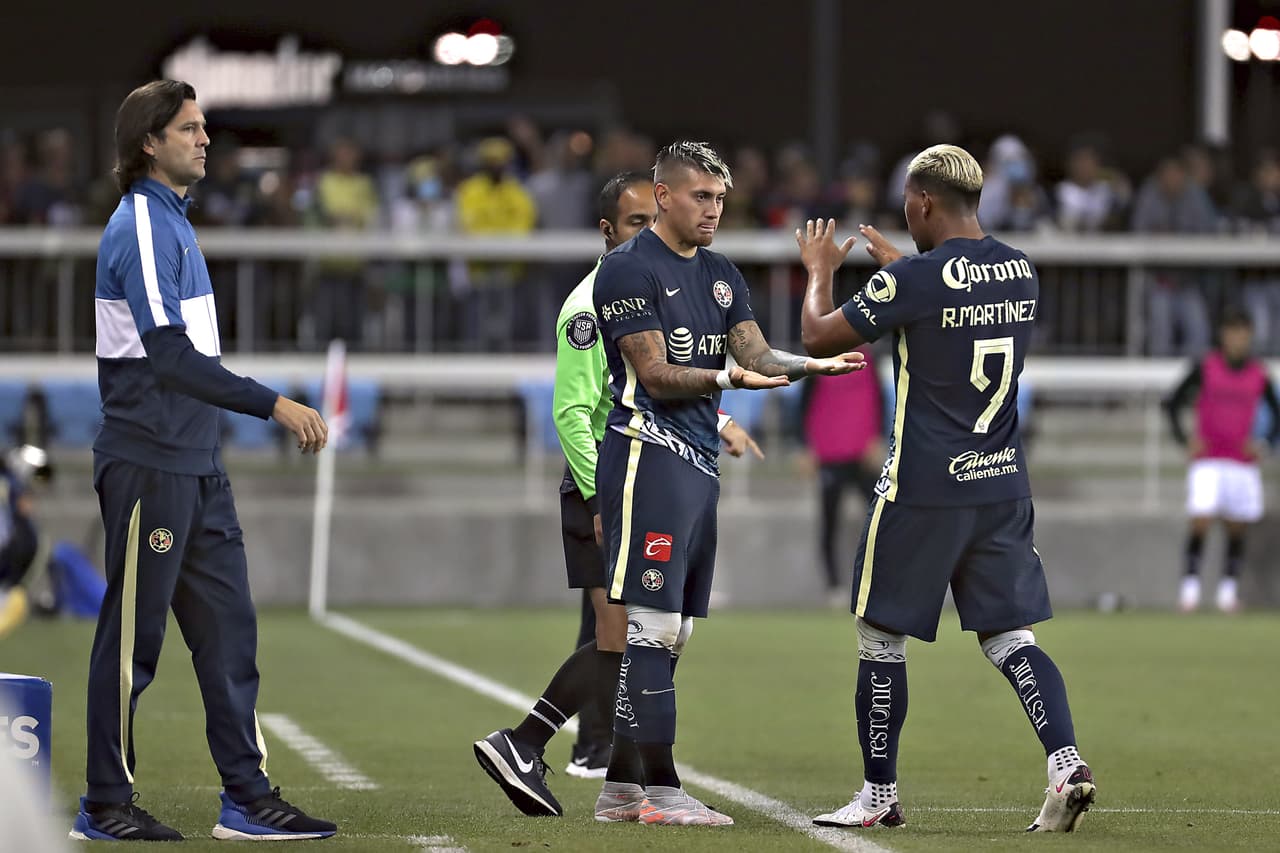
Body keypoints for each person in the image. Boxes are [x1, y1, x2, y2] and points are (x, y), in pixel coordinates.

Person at [799, 144, 1096, 833]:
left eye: (909, 201)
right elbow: (960, 301)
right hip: (1000, 483)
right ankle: (1065, 760)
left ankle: (878, 795)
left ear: (924, 202)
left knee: (879, 635)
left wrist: (820, 273)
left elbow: (818, 337)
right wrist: (907, 274)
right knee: (1009, 635)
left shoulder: (917, 281)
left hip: (924, 486)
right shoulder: (1020, 269)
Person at [74, 79, 336, 842]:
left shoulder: (178, 225)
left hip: (196, 463)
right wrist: (274, 403)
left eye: (204, 126)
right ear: (148, 142)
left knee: (229, 634)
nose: (205, 138)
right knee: (132, 644)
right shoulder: (144, 227)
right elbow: (168, 359)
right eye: (189, 127)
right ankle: (103, 803)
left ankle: (247, 798)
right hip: (150, 462)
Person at [585, 141, 862, 827]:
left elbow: (755, 353)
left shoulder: (720, 272)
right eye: (700, 196)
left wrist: (810, 366)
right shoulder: (625, 270)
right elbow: (652, 374)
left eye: (719, 197)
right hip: (648, 454)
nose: (713, 209)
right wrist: (725, 380)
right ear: (661, 196)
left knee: (673, 631)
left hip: (698, 463)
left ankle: (620, 787)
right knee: (651, 625)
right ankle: (665, 788)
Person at [472, 170, 762, 815]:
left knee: (642, 638)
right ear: (609, 231)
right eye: (634, 224)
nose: (647, 234)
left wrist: (719, 421)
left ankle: (616, 782)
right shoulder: (589, 302)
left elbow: (637, 382)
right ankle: (536, 744)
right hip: (612, 481)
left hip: (645, 472)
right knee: (629, 638)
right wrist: (598, 497)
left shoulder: (650, 290)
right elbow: (576, 410)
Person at [1164, 307, 1280, 613]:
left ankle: (1227, 593)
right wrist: (1184, 438)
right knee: (1201, 521)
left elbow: (1276, 415)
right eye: (1232, 332)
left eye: (1243, 333)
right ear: (1224, 335)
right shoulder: (1207, 367)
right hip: (1209, 460)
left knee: (1236, 527)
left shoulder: (1259, 373)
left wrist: (1265, 443)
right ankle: (1189, 590)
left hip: (1241, 462)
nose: (1237, 339)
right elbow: (1173, 402)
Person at [798, 346, 886, 602]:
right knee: (829, 523)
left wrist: (876, 438)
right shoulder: (820, 359)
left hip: (862, 455)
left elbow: (878, 400)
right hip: (829, 454)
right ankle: (833, 586)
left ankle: (880, 581)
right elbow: (804, 405)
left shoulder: (868, 359)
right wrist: (806, 447)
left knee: (880, 519)